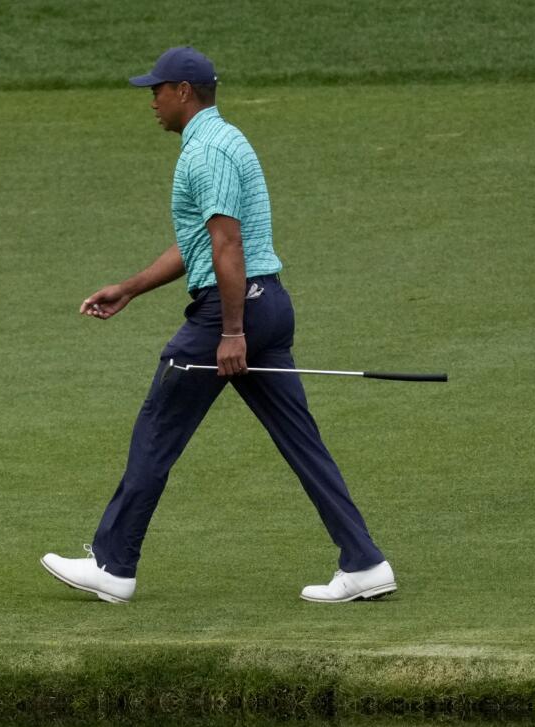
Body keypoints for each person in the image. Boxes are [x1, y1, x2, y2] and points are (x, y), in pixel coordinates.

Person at [41, 46, 396, 606]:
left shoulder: (205, 153)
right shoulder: (225, 139)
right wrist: (130, 288)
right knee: (301, 441)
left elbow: (228, 245)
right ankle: (366, 561)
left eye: (156, 90)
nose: (151, 101)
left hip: (234, 312)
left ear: (183, 91)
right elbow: (204, 245)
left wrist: (232, 331)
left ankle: (113, 566)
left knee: (157, 428)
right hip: (267, 304)